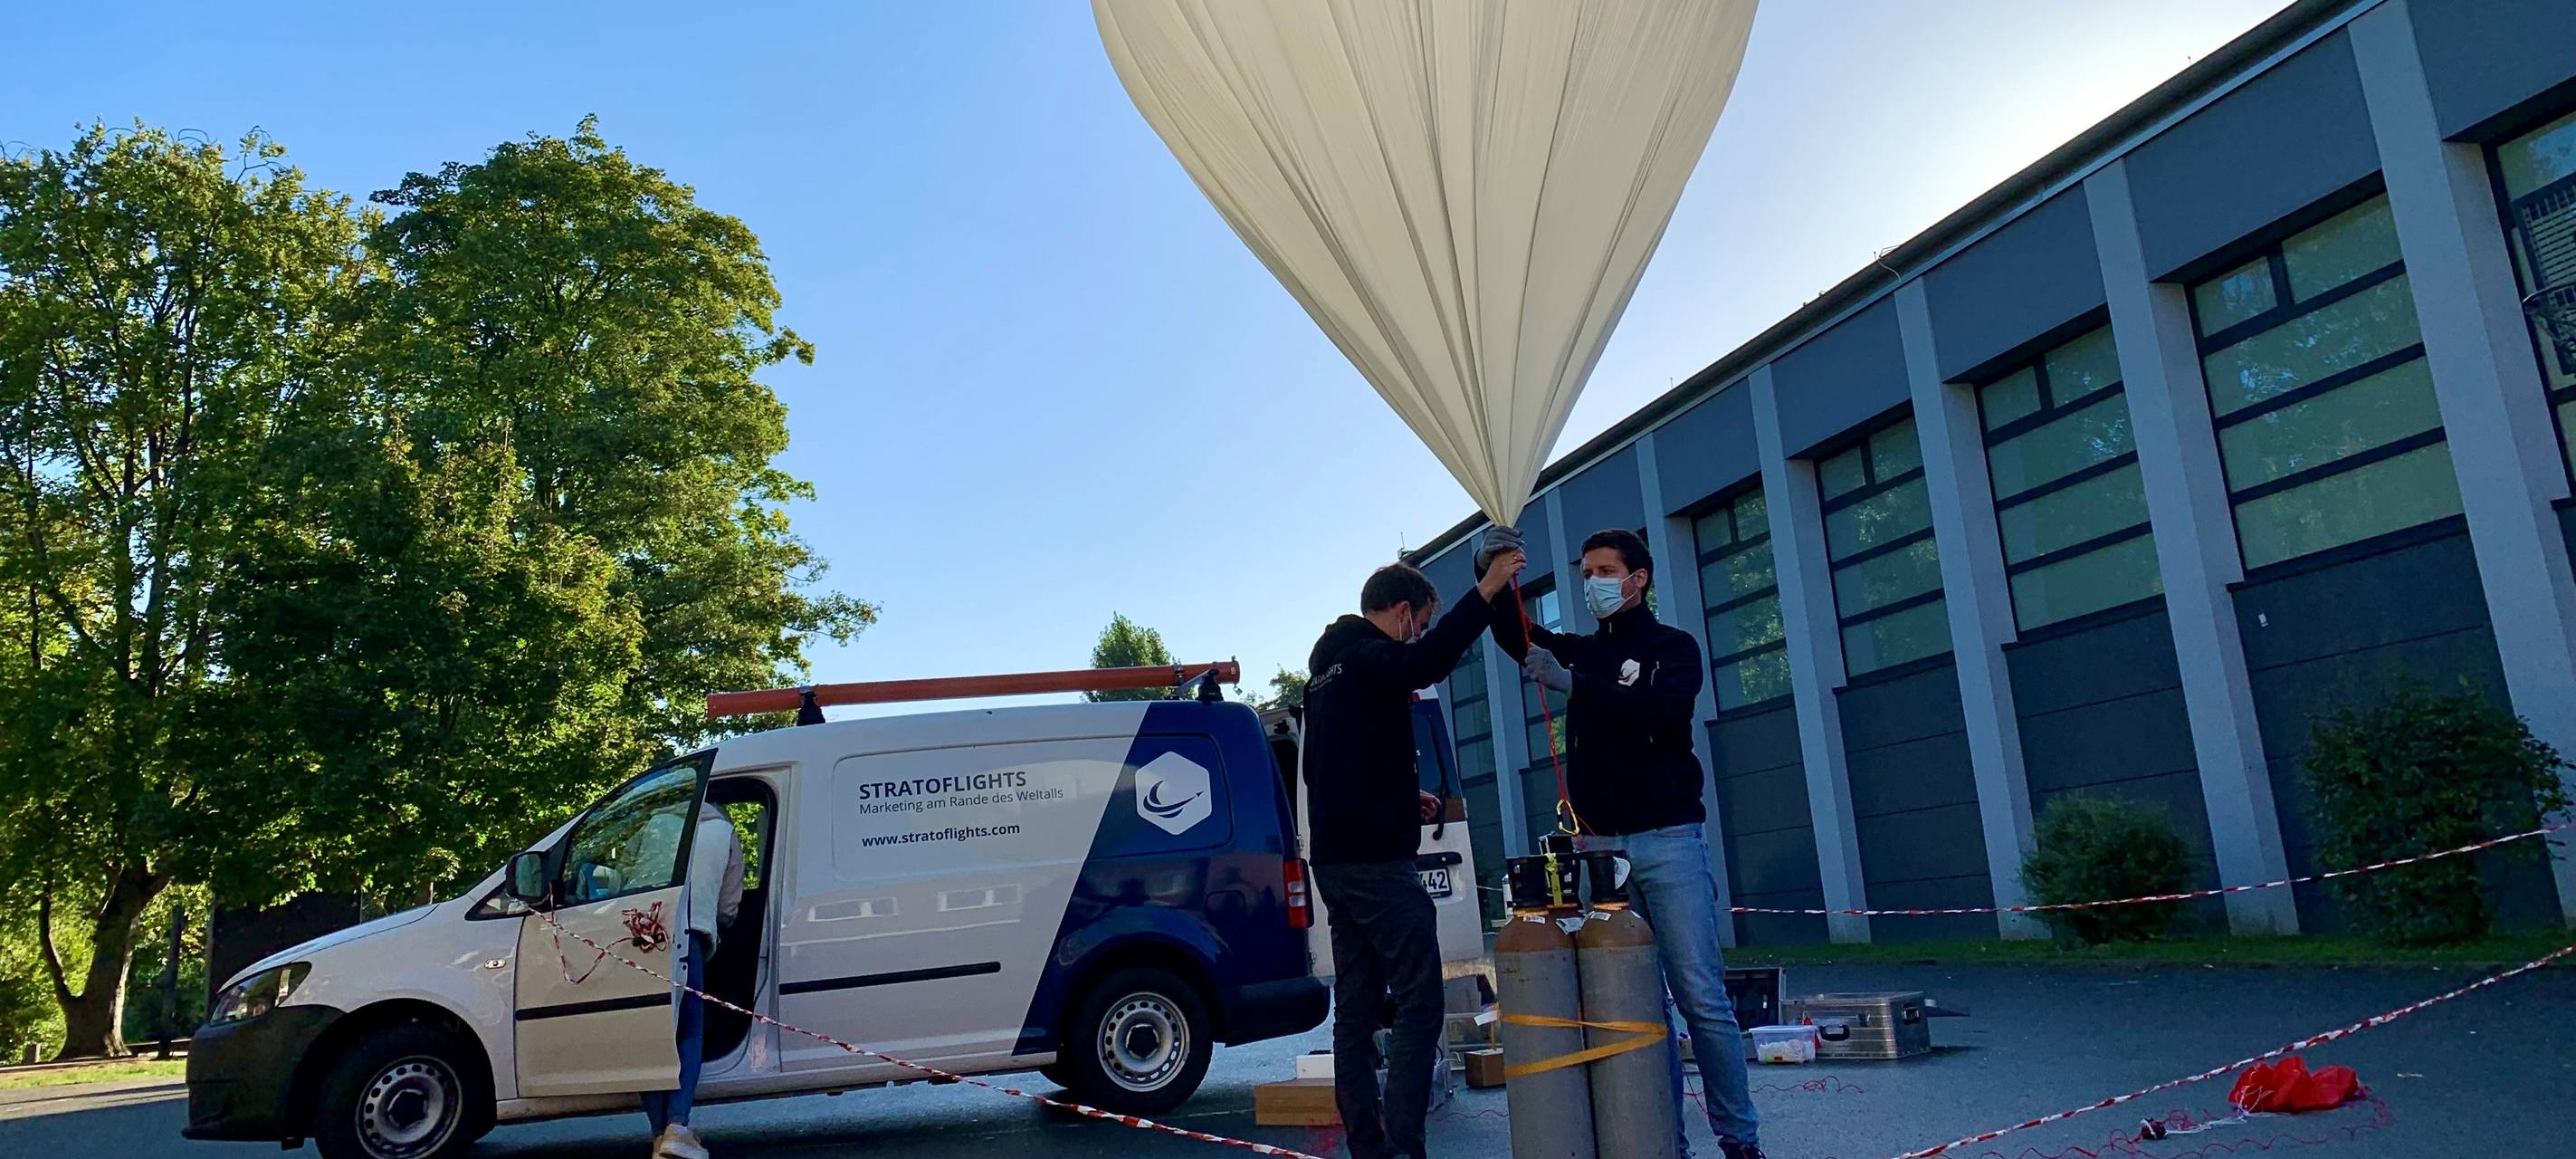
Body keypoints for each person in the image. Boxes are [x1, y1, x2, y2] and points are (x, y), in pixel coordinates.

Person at [1480, 525, 1765, 1159]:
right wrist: (1495, 575)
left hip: (1668, 841)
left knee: (1700, 996)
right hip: (1600, 849)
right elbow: (1515, 636)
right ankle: (1662, 1142)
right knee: (1636, 1005)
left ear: (1638, 579)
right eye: (1585, 573)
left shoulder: (1673, 647)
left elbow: (1660, 712)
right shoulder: (1584, 648)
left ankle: (1740, 1139)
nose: (1592, 584)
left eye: (1605, 571)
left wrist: (1575, 684)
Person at [1302, 551, 1522, 1159]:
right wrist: (1487, 592)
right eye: (1420, 623)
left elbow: (1330, 770)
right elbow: (1425, 662)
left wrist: (1403, 796)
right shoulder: (1373, 656)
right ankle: (1404, 1146)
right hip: (1377, 862)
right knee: (1421, 1000)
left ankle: (1369, 1147)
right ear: (1403, 614)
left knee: (1356, 1008)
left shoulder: (1326, 674)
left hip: (1337, 863)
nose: (1418, 636)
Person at [644, 801, 746, 1159]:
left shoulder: (655, 824)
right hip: (692, 934)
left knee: (652, 1033)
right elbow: (729, 903)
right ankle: (677, 1125)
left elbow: (631, 876)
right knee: (689, 1031)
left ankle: (659, 1135)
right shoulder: (724, 832)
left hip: (646, 935)